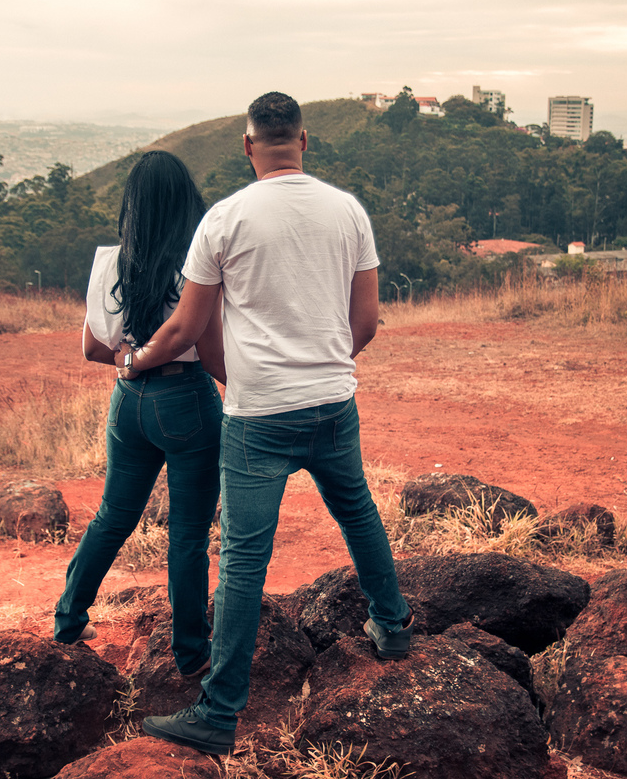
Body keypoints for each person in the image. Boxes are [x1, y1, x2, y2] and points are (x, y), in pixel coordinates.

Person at [117, 92, 412, 756]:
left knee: (246, 560)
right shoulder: (348, 211)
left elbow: (188, 328)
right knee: (358, 514)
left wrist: (136, 362)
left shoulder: (224, 220)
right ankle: (392, 631)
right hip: (333, 402)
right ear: (304, 141)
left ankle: (219, 715)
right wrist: (325, 368)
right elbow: (365, 322)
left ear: (249, 146)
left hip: (258, 415)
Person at [54, 150, 224, 680]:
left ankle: (68, 618)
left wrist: (130, 360)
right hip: (187, 399)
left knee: (113, 515)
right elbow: (212, 353)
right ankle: (192, 651)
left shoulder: (110, 262)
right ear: (184, 205)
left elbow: (90, 347)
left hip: (128, 402)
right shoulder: (193, 267)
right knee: (189, 533)